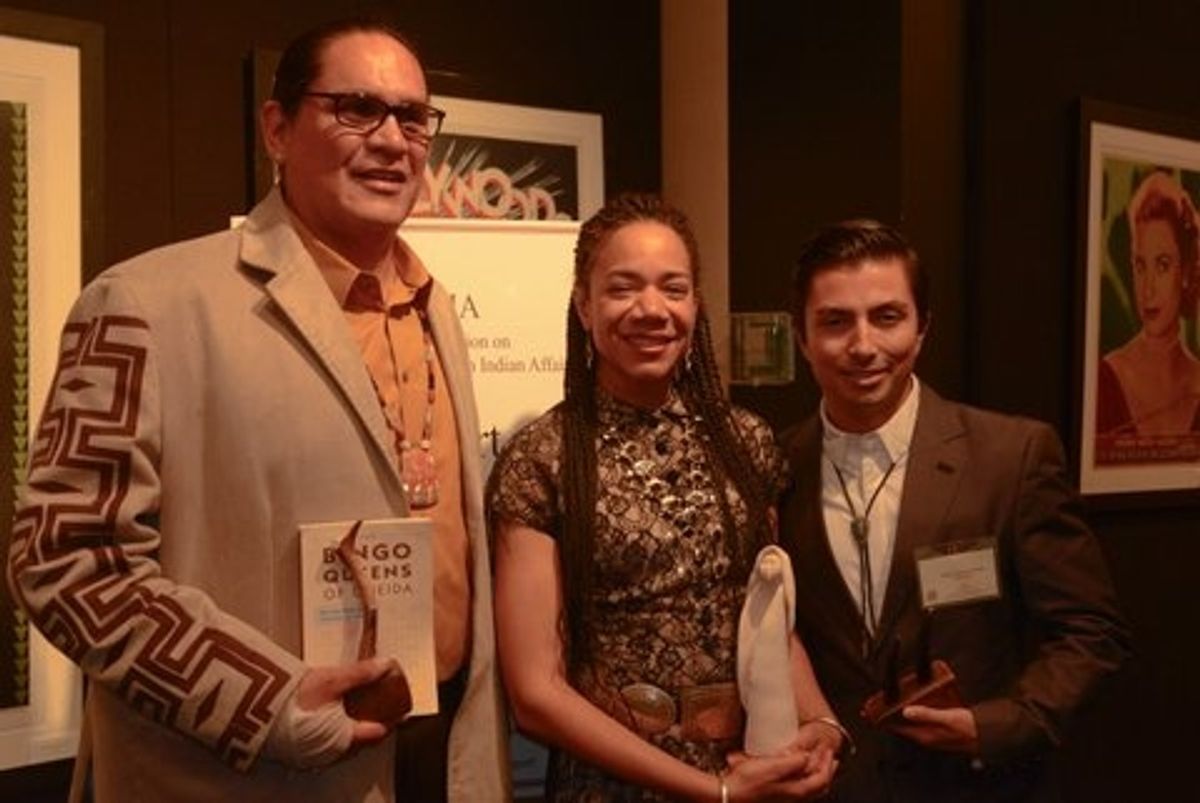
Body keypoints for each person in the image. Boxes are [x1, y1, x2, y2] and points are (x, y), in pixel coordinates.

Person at [6, 18, 506, 803]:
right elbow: (69, 561)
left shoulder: (432, 306)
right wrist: (264, 702)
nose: (391, 139)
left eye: (413, 117)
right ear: (277, 129)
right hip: (247, 772)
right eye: (355, 108)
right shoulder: (144, 302)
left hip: (436, 755)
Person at [488, 193, 845, 802]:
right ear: (583, 304)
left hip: (751, 767)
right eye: (623, 288)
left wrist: (821, 723)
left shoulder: (746, 442)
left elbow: (767, 620)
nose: (651, 309)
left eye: (672, 289)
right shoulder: (543, 458)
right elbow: (536, 696)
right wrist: (713, 791)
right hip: (611, 786)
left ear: (695, 305)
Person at [779, 219, 1131, 802]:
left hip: (975, 787)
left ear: (923, 329)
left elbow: (1092, 633)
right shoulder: (771, 469)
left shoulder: (1010, 457)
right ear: (802, 337)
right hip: (833, 789)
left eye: (887, 317)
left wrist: (994, 726)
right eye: (836, 322)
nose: (863, 345)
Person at [1096, 169, 1200, 440]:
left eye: (1163, 265)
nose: (1147, 288)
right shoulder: (1105, 379)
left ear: (1187, 271)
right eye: (1140, 265)